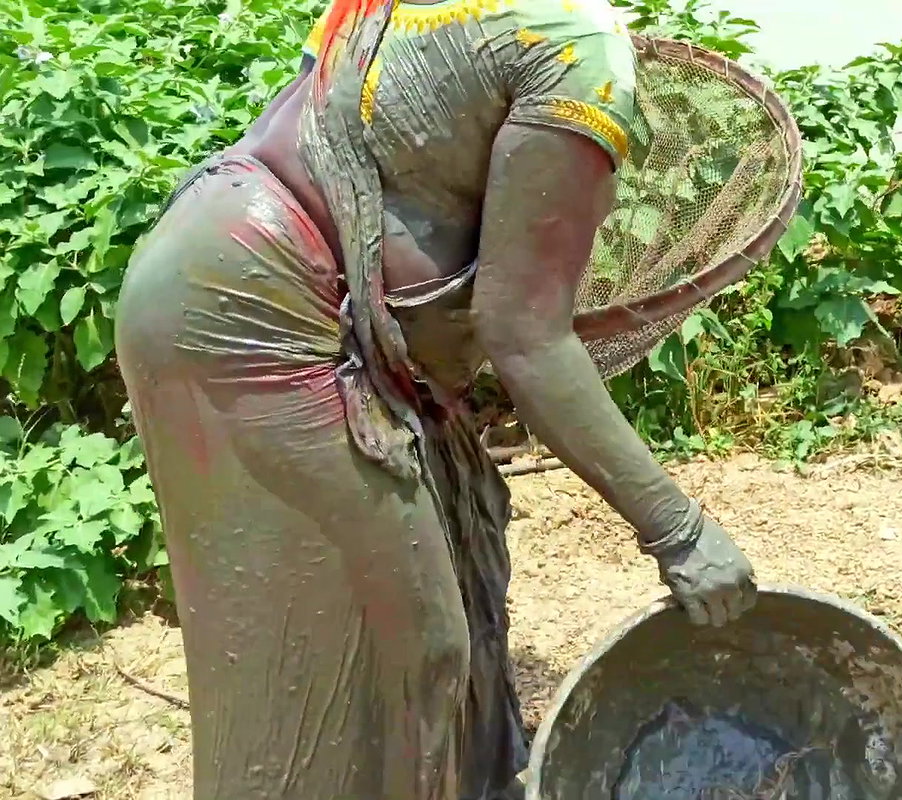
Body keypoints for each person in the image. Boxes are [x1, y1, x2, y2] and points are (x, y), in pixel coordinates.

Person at [113, 1, 758, 798]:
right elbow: (526, 337)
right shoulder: (577, 40)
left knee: (399, 623)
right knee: (385, 656)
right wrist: (680, 533)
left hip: (212, 258)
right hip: (259, 307)